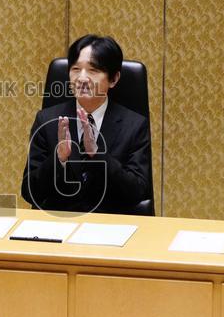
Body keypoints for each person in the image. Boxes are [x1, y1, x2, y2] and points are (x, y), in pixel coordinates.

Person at [21, 34, 151, 214]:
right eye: (76, 69)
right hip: (59, 225)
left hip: (111, 225)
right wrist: (59, 158)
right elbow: (29, 192)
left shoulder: (134, 126)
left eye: (93, 70)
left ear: (113, 79)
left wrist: (97, 156)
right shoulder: (47, 120)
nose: (82, 78)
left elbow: (137, 191)